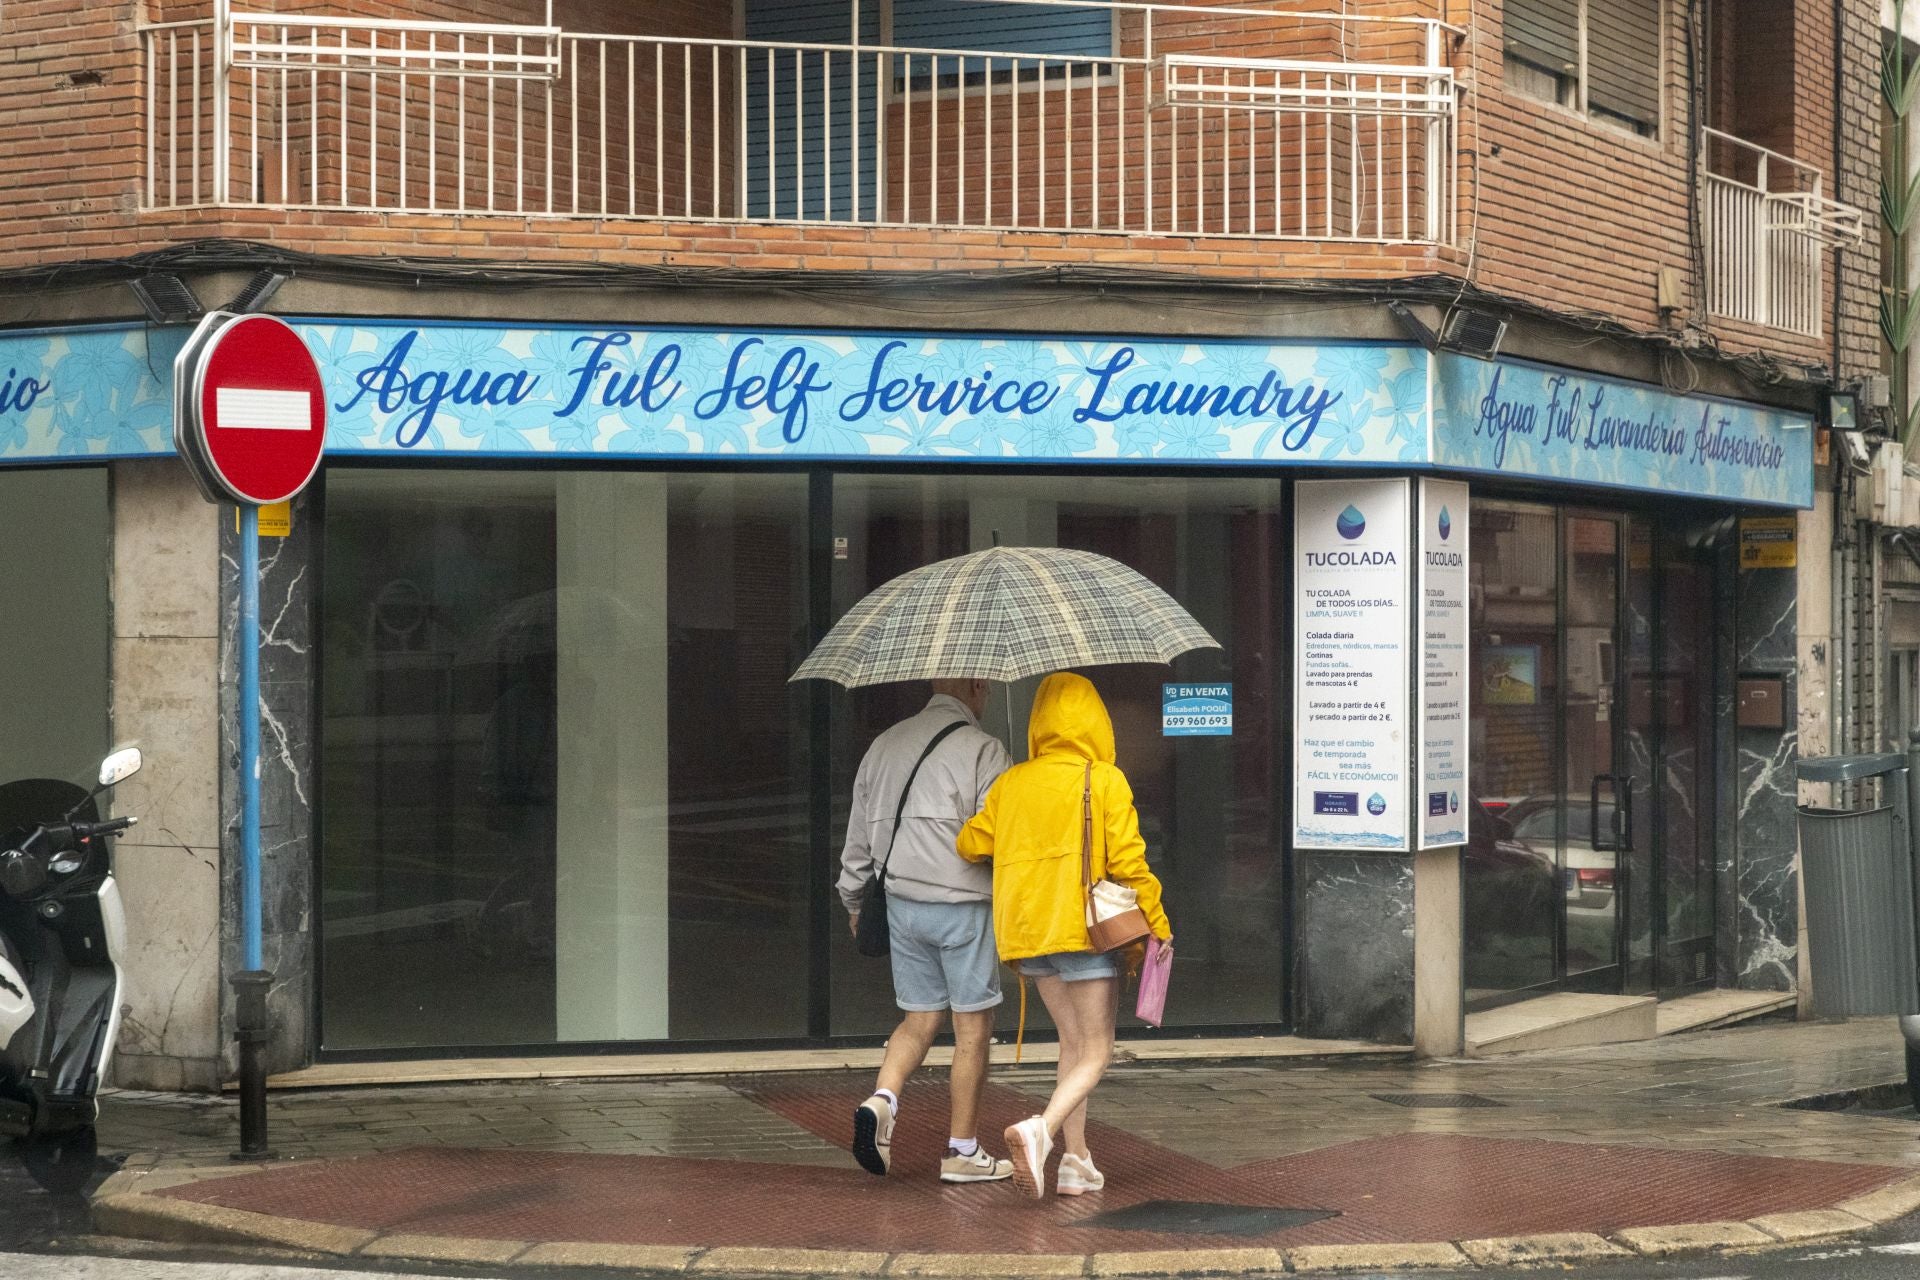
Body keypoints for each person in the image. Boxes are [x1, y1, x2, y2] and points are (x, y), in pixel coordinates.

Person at [957, 671, 1171, 1200]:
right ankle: (1042, 1132)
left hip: (1031, 934)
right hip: (1086, 931)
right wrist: (1159, 925)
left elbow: (969, 843)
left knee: (1071, 1044)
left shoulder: (1013, 781)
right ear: (1096, 722)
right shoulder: (1104, 778)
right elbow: (1129, 862)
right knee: (1098, 1048)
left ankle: (1077, 1162)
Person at [838, 678, 1014, 1184]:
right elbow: (996, 837)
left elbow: (858, 838)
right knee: (972, 1029)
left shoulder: (884, 744)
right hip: (962, 909)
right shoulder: (984, 750)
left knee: (917, 1020)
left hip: (901, 905)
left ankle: (883, 1098)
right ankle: (962, 1151)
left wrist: (854, 901)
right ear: (976, 688)